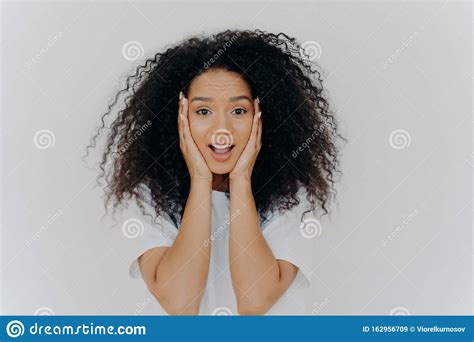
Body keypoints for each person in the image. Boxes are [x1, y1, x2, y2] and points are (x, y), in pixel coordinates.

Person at [85, 29, 345, 315]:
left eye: (238, 111)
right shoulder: (149, 195)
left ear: (261, 116)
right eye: (203, 112)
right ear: (180, 118)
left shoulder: (291, 194)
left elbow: (255, 301)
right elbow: (180, 304)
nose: (222, 129)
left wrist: (240, 179)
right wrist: (201, 179)